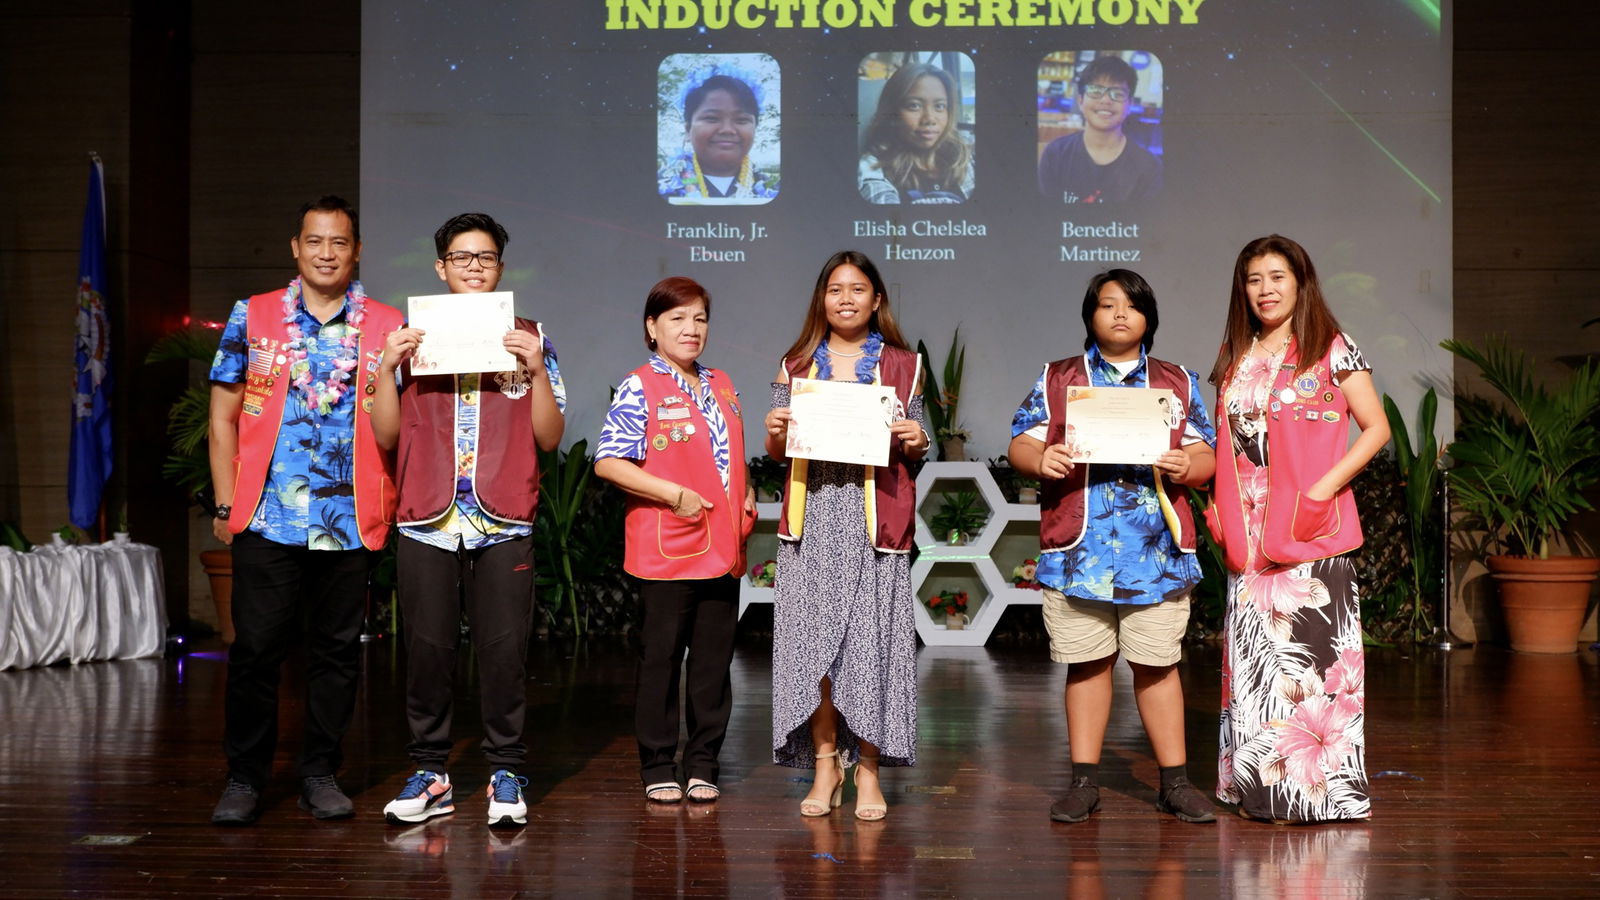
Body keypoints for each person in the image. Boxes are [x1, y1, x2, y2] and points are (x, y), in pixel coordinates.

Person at [207, 196, 406, 825]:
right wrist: (223, 500)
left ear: (356, 251)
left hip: (349, 516)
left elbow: (399, 428)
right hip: (268, 513)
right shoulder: (255, 314)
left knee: (337, 653)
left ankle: (320, 771)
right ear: (296, 246)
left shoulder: (386, 325)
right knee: (256, 650)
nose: (327, 253)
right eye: (315, 241)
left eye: (339, 242)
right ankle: (244, 778)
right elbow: (222, 416)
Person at [368, 212, 566, 828]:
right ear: (441, 268)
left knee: (503, 652)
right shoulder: (409, 339)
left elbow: (550, 436)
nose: (474, 265)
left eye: (485, 257)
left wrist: (534, 368)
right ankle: (432, 773)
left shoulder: (529, 336)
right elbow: (385, 434)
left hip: (503, 517)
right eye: (462, 257)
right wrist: (383, 368)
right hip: (427, 516)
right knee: (427, 650)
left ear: (501, 268)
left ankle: (505, 771)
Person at [1007, 269, 1219, 825]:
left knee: (1157, 666)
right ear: (1090, 316)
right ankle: (1083, 783)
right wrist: (1040, 459)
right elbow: (1022, 442)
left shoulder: (1178, 381)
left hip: (1158, 553)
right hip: (1080, 549)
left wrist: (1187, 466)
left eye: (1131, 305)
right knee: (1086, 664)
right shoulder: (1059, 377)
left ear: (1149, 317)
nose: (1120, 314)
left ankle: (1174, 784)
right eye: (1107, 305)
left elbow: (1208, 456)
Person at [1206, 234, 1389, 823]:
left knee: (1309, 669)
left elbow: (1376, 428)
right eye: (1254, 278)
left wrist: (1321, 488)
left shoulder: (1331, 348)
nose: (1265, 289)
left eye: (1277, 276)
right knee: (1258, 665)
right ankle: (1259, 789)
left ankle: (1316, 793)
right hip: (1250, 536)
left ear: (1301, 282)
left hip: (1308, 531)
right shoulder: (1236, 352)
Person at [763, 251, 931, 820]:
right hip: (813, 525)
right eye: (835, 289)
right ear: (822, 299)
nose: (846, 299)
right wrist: (774, 430)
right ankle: (826, 764)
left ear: (877, 299)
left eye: (858, 289)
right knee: (817, 654)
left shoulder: (905, 366)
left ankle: (870, 772)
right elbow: (777, 449)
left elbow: (920, 442)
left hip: (875, 525)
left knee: (872, 650)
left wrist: (914, 437)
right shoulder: (796, 364)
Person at [594, 276, 756, 804]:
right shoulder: (641, 385)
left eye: (700, 318)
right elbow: (609, 460)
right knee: (661, 660)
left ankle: (703, 762)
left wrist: (748, 491)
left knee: (713, 664)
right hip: (669, 546)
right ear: (652, 327)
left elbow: (729, 453)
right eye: (678, 319)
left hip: (722, 547)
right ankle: (659, 763)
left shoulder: (722, 382)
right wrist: (672, 494)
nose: (691, 329)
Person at [1037, 55, 1162, 204]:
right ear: (1081, 101)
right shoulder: (1055, 154)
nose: (1106, 100)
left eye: (1117, 94)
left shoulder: (1149, 168)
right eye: (1096, 91)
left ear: (1129, 104)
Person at [858, 62, 974, 204]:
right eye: (914, 106)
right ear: (892, 113)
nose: (929, 119)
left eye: (939, 106)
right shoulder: (871, 167)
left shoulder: (966, 158)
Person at [659, 67, 778, 204]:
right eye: (712, 118)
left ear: (755, 128)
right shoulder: (661, 188)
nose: (727, 130)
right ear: (687, 129)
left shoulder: (772, 191)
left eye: (741, 120)